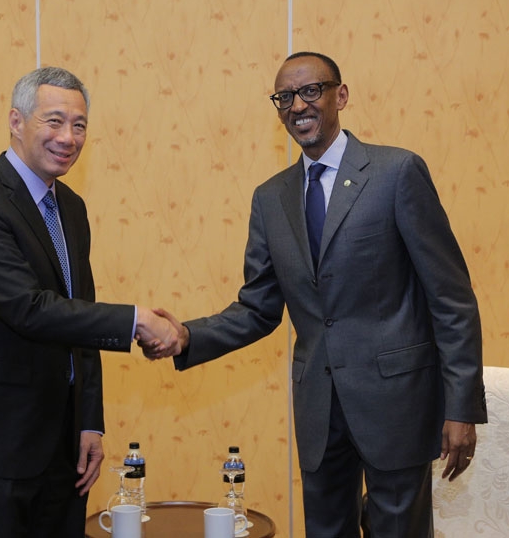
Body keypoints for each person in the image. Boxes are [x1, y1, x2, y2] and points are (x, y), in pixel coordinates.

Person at [144, 52, 487, 537]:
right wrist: (186, 336)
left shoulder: (396, 172)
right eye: (285, 97)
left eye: (311, 91)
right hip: (319, 410)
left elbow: (451, 298)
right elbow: (257, 308)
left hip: (397, 403)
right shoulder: (271, 198)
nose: (298, 106)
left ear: (340, 96)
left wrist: (461, 407)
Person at [0, 66, 179, 537]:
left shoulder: (70, 206)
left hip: (64, 446)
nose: (68, 137)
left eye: (79, 125)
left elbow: (78, 313)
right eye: (54, 121)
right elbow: (28, 308)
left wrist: (89, 422)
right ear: (16, 121)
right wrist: (135, 320)